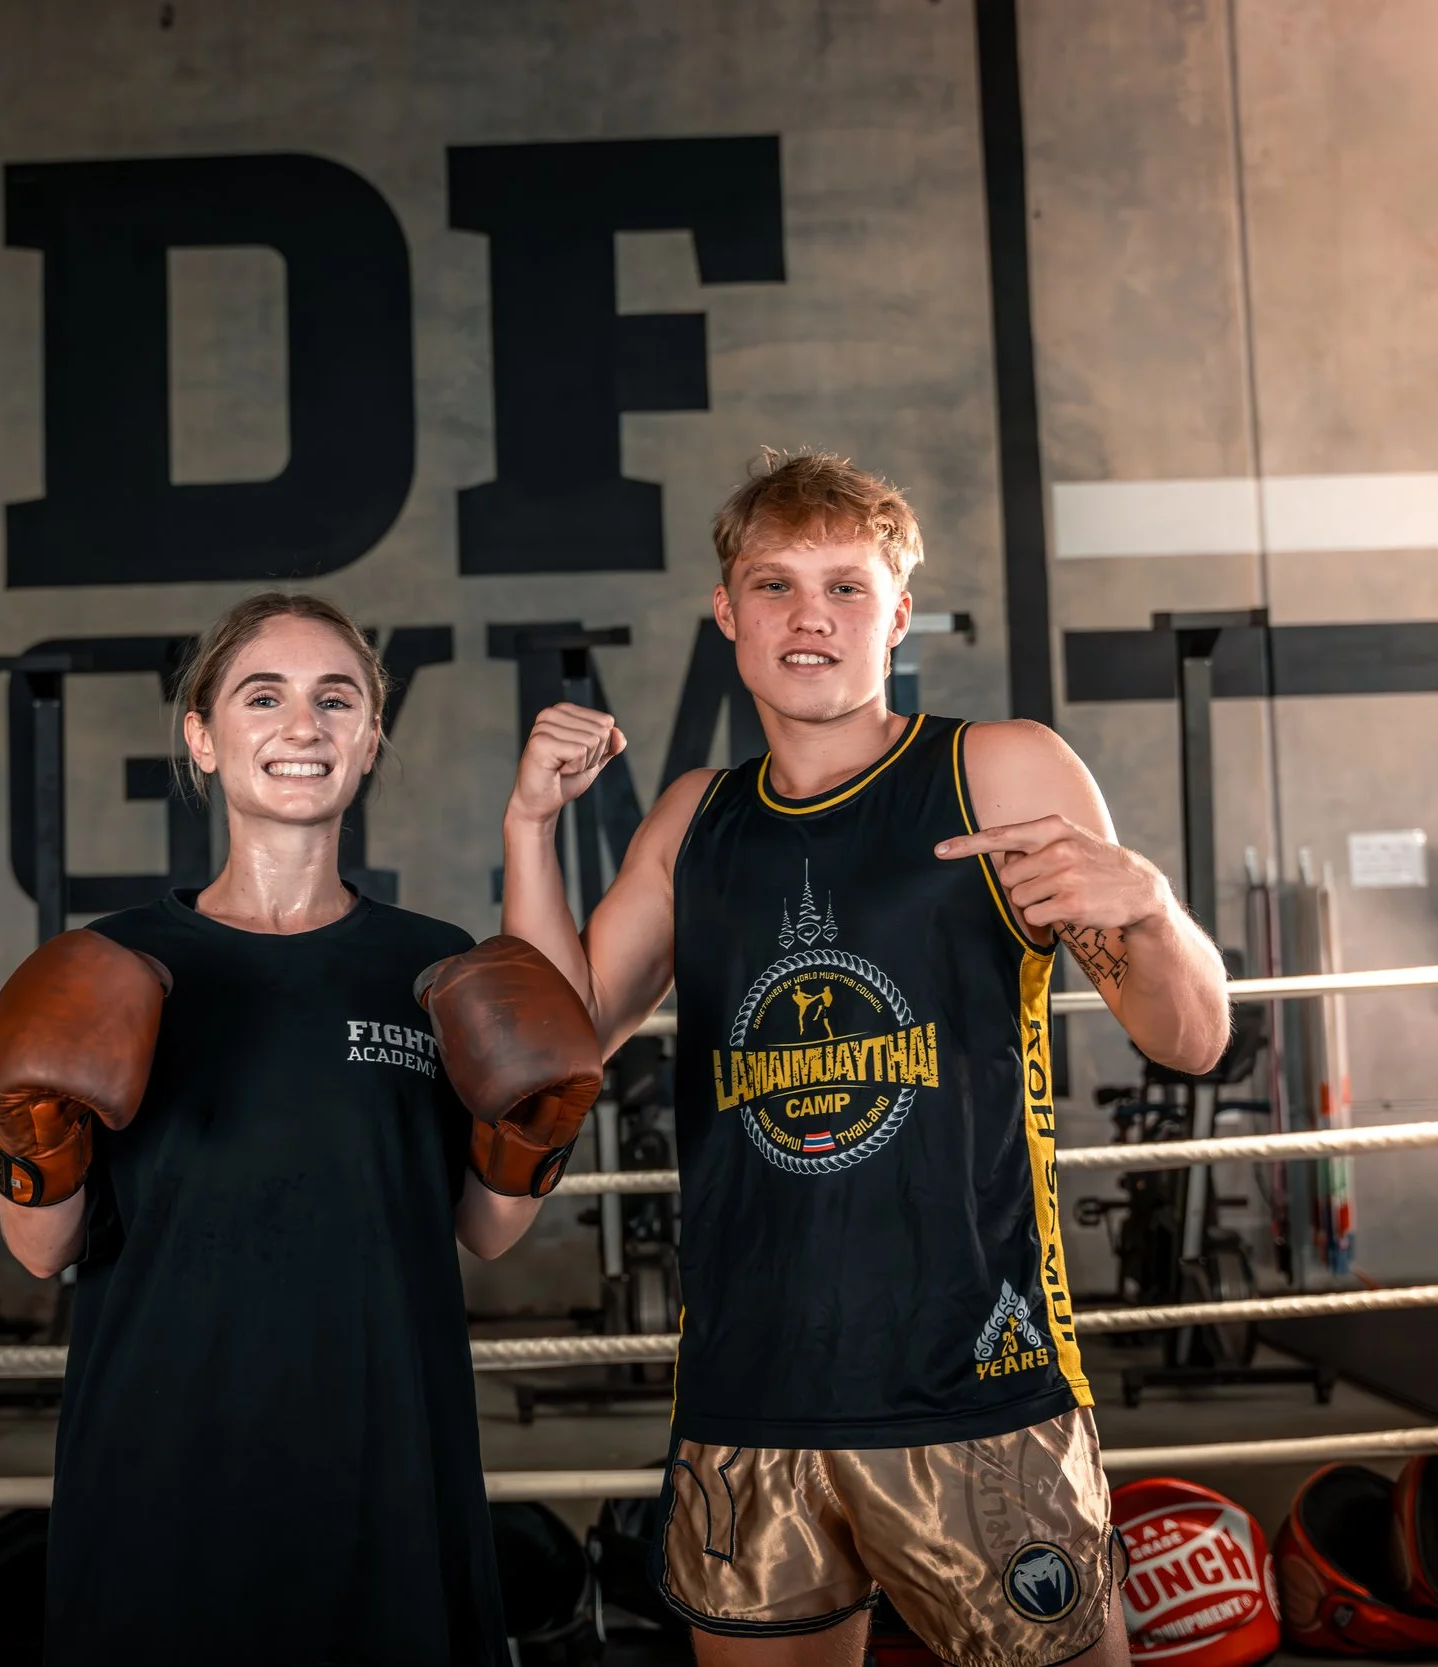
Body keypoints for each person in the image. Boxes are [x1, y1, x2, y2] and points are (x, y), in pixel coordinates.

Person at [500, 452, 1232, 1667]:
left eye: (846, 586)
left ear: (898, 614)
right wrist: (531, 826)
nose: (811, 616)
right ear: (726, 613)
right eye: (774, 585)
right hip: (749, 1391)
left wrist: (1152, 910)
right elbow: (558, 1036)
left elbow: (1190, 1037)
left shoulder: (996, 770)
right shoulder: (694, 818)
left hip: (974, 1380)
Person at [0, 592, 601, 1665]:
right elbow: (40, 1250)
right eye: (262, 697)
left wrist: (531, 1134)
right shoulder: (100, 971)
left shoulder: (434, 965)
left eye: (336, 699)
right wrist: (31, 1137)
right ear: (202, 737)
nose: (302, 724)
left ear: (370, 737)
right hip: (161, 1460)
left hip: (386, 1457)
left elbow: (487, 1231)